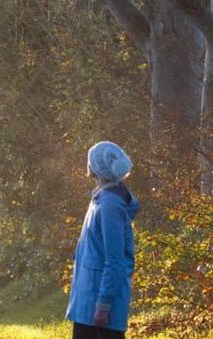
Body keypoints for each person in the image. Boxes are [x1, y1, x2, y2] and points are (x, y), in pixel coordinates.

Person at [66, 141, 140, 339]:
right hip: (87, 304)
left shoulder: (109, 206)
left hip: (98, 308)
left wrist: (103, 304)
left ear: (96, 168)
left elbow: (114, 260)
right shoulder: (100, 200)